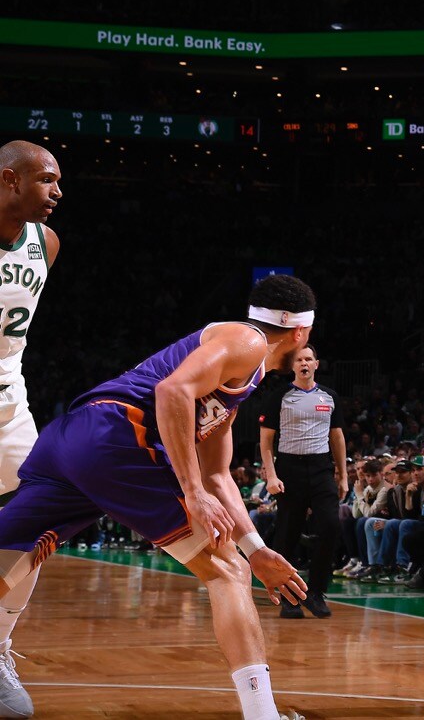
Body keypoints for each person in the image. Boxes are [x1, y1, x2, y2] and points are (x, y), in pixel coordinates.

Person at [0, 274, 314, 720]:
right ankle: (262, 715)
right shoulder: (247, 341)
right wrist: (191, 493)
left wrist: (257, 550)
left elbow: (217, 475)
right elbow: (173, 391)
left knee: (10, 556)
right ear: (300, 330)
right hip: (118, 437)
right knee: (227, 573)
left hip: (75, 441)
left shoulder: (241, 377)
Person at [0, 140, 61, 716]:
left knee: (37, 524)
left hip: (10, 411)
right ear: (8, 180)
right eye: (45, 180)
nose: (57, 193)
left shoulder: (46, 243)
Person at [259, 343, 347, 618]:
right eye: (299, 360)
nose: (304, 363)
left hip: (321, 468)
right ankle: (290, 597)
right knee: (288, 534)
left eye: (309, 358)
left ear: (316, 364)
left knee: (331, 526)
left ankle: (317, 592)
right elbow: (266, 440)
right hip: (289, 468)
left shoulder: (330, 397)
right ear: (293, 366)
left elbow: (337, 437)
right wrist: (271, 475)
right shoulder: (280, 396)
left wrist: (342, 475)